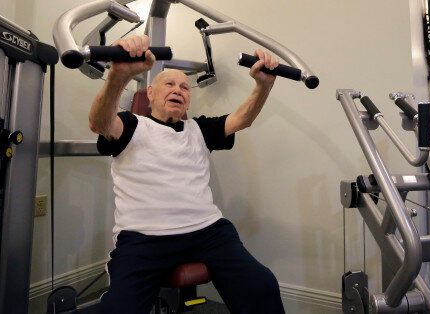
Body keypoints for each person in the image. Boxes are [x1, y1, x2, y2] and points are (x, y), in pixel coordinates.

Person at [90, 35, 285, 314]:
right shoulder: (132, 125)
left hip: (208, 232)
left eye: (185, 87)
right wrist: (117, 76)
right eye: (169, 84)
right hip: (144, 237)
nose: (178, 90)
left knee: (262, 284)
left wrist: (264, 86)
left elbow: (243, 118)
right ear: (151, 95)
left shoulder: (200, 130)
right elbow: (99, 123)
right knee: (119, 309)